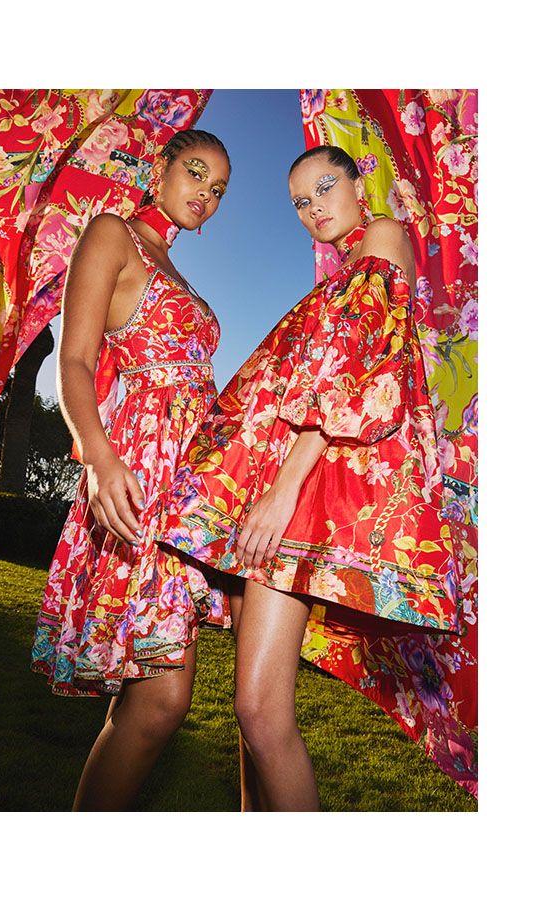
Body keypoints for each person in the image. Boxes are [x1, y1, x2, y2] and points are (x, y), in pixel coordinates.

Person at [157, 146, 458, 811]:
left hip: (304, 497)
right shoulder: (353, 263)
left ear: (359, 182)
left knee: (261, 713)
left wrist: (282, 491)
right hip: (288, 494)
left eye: (325, 186)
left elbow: (351, 371)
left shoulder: (382, 236)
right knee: (253, 715)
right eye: (300, 200)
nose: (314, 206)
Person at [31, 129, 232, 811]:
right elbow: (77, 360)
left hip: (189, 483)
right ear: (159, 166)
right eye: (196, 173)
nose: (204, 194)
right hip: (138, 473)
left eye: (218, 190)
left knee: (161, 698)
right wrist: (97, 456)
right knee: (161, 699)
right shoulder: (113, 234)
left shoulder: (178, 271)